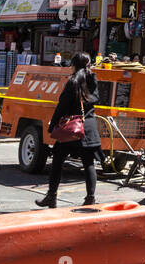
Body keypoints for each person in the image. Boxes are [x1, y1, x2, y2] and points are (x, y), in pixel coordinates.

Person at [37, 53, 101, 207]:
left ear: (74, 65)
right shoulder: (93, 79)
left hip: (71, 127)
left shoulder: (73, 81)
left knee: (58, 161)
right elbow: (96, 99)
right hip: (89, 127)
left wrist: (53, 125)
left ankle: (51, 196)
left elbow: (62, 105)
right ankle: (90, 198)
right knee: (88, 163)